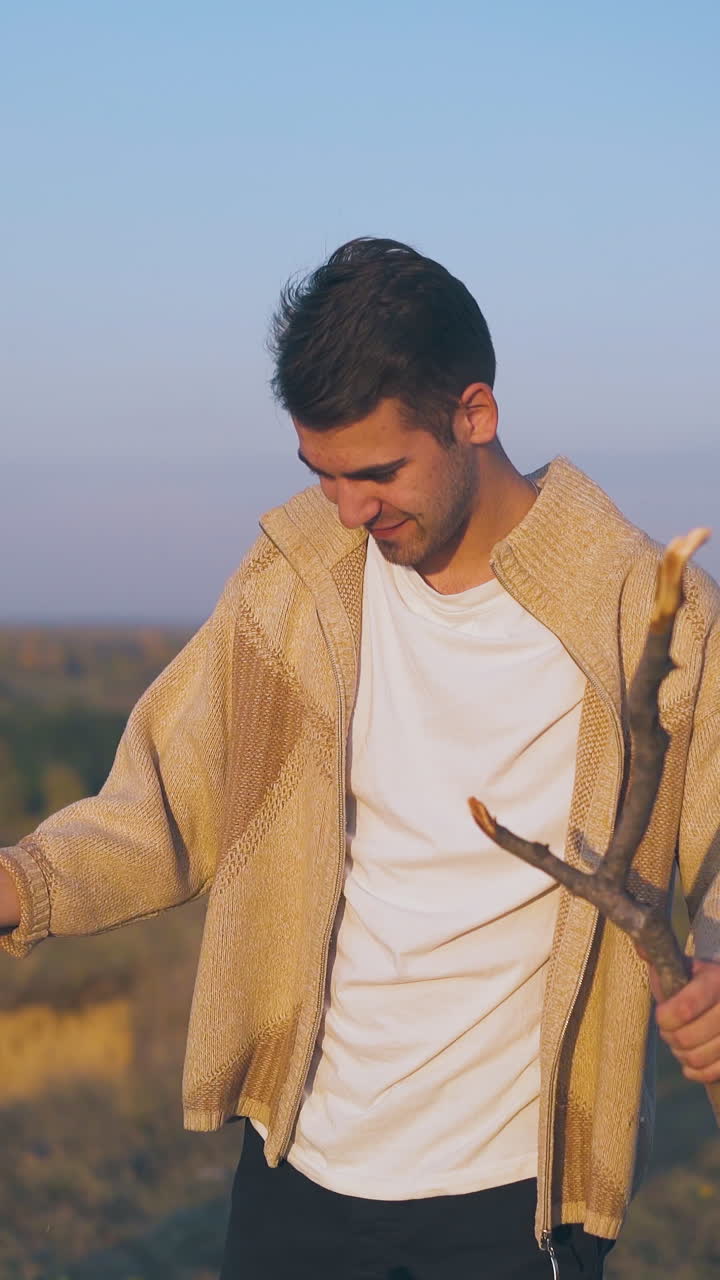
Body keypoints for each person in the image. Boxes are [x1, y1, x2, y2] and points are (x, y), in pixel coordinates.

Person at [1, 237, 719, 1279]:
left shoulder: (648, 615)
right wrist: (21, 882)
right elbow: (163, 798)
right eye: (322, 474)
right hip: (301, 1166)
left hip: (515, 1194)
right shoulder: (299, 578)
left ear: (475, 413)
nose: (350, 510)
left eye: (378, 472)